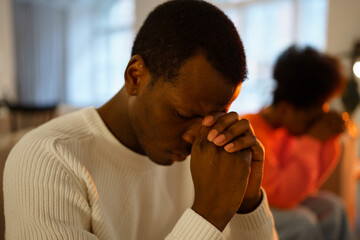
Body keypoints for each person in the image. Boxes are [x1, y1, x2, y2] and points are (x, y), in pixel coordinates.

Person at [3, 1, 278, 239]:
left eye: (215, 117)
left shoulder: (210, 156)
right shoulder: (49, 158)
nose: (197, 136)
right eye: (183, 114)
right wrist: (206, 216)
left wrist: (247, 205)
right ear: (136, 76)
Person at [244, 46, 354, 240]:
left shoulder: (287, 131)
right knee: (302, 222)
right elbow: (281, 197)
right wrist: (313, 140)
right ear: (286, 109)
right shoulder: (252, 131)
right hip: (252, 208)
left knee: (333, 207)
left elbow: (308, 186)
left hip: (279, 201)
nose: (310, 127)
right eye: (309, 121)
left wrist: (328, 138)